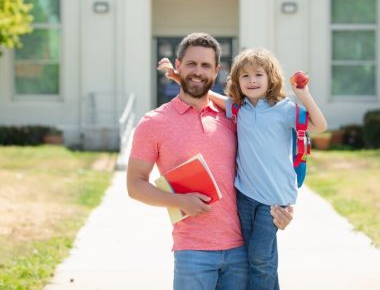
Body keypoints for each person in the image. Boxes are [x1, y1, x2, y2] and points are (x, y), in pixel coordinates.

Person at [127, 33, 294, 290]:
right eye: (191, 64)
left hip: (241, 250)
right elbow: (135, 185)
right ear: (178, 65)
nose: (198, 71)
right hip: (192, 252)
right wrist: (179, 201)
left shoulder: (237, 117)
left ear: (217, 71)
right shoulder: (154, 123)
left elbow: (269, 162)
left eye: (206, 66)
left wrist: (281, 209)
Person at [159, 47, 328, 290]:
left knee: (260, 258)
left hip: (274, 198)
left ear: (271, 79)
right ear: (237, 81)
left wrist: (304, 95)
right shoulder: (239, 108)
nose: (252, 81)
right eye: (245, 76)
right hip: (245, 195)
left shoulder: (284, 109)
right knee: (258, 257)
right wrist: (178, 78)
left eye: (258, 75)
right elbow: (210, 96)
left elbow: (320, 125)